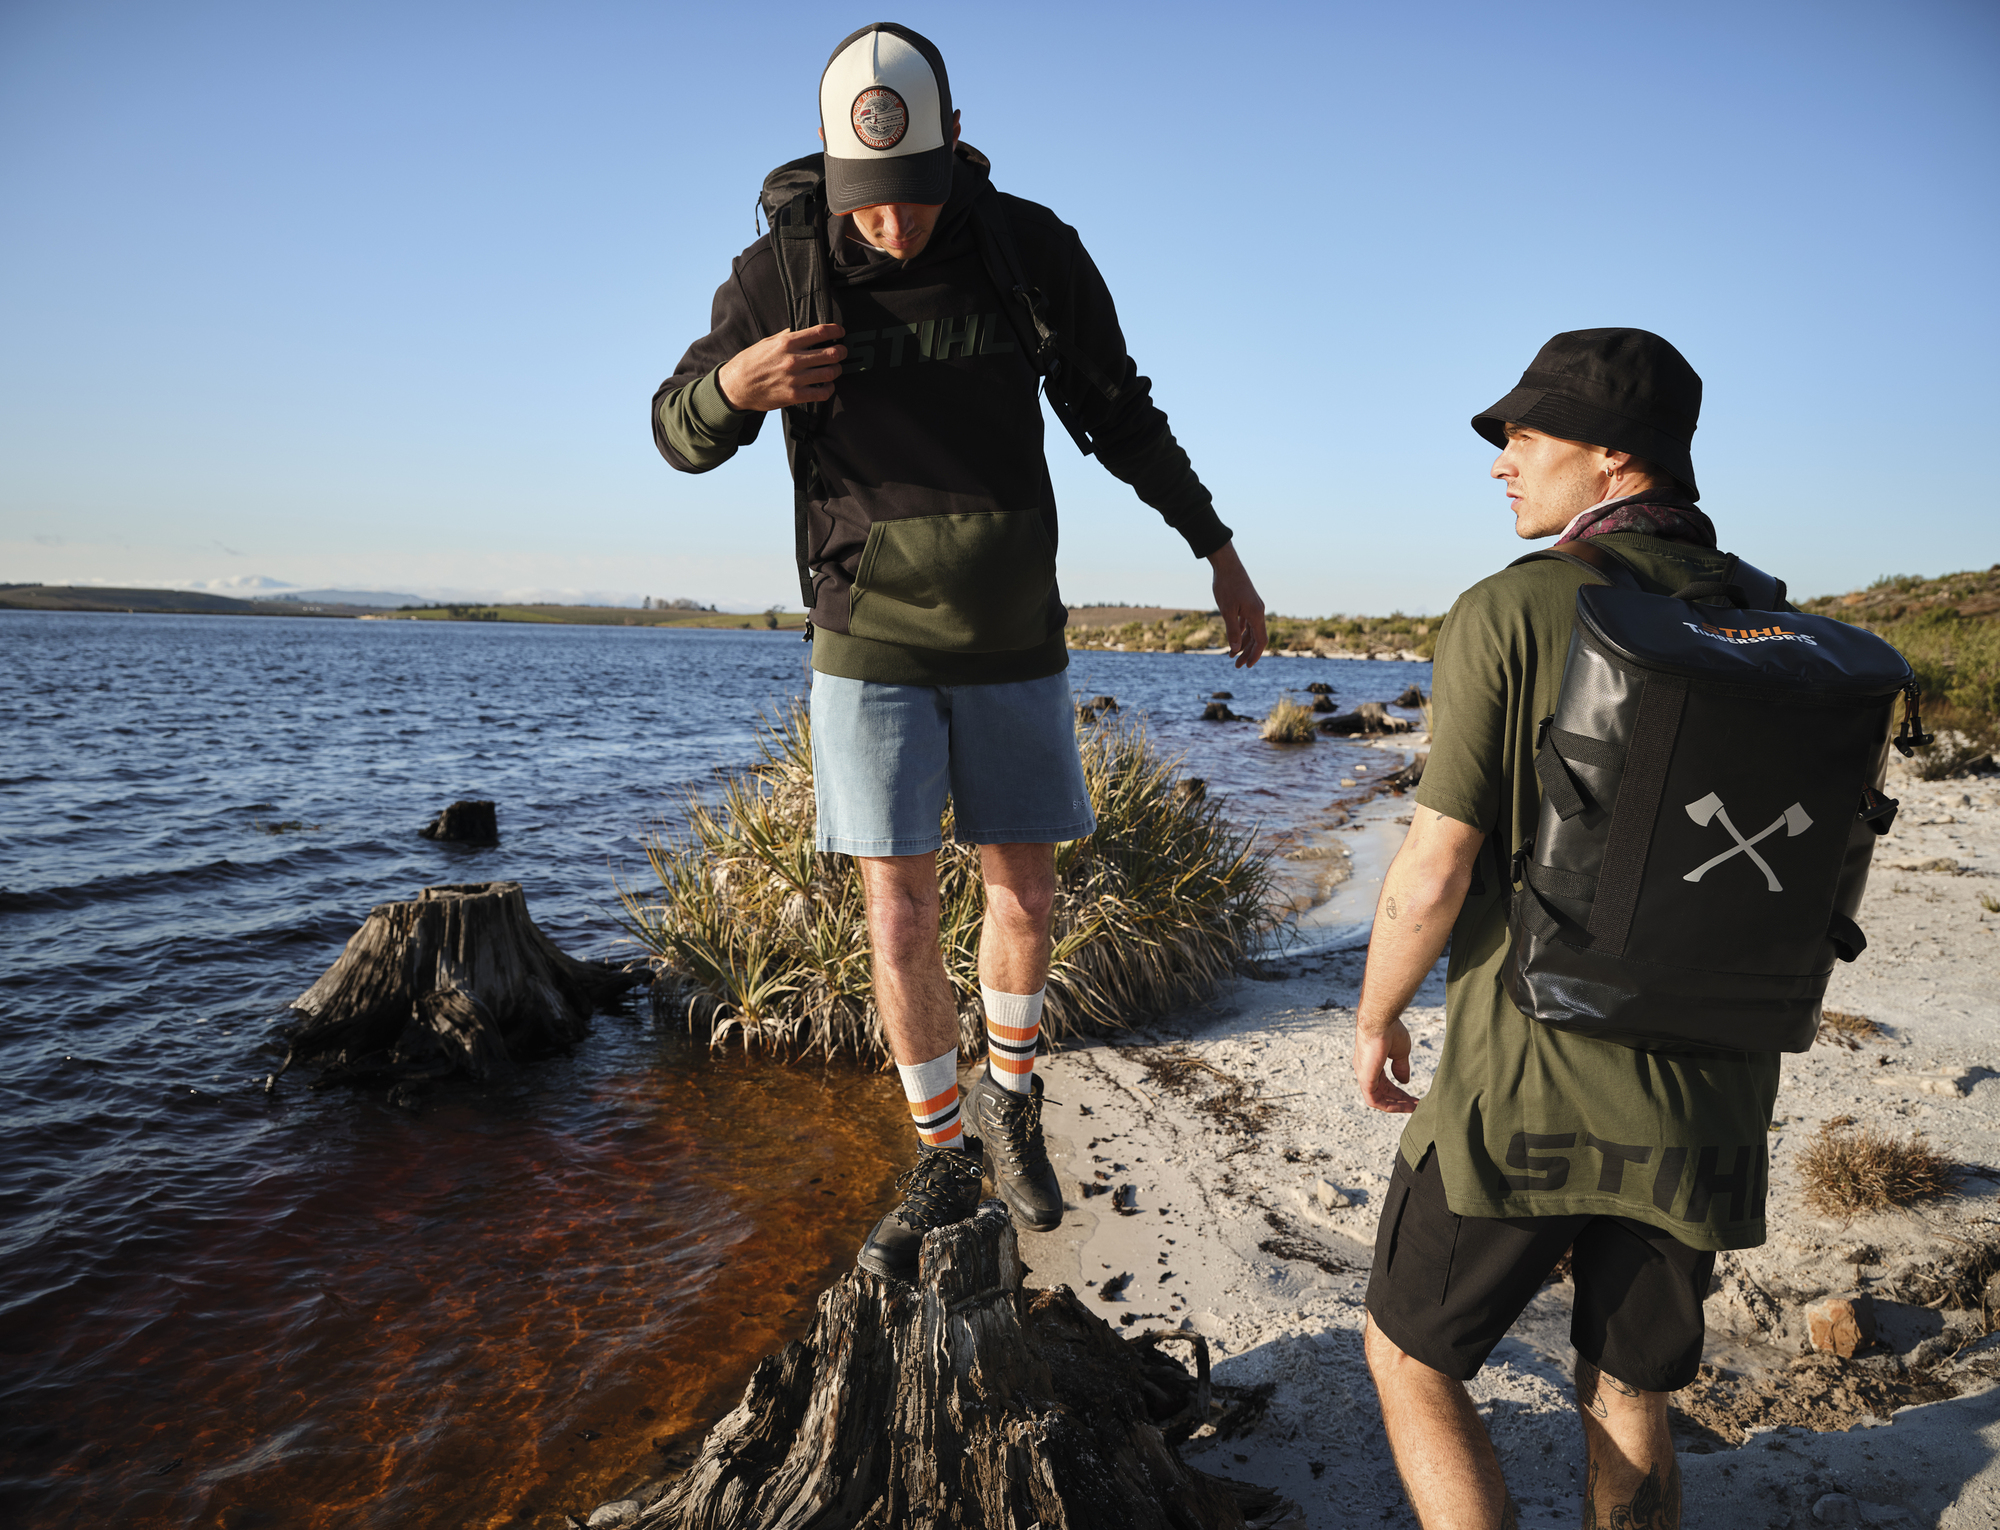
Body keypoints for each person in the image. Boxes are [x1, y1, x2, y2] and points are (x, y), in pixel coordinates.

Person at [653, 22, 1266, 1282]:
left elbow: (1117, 408)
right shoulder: (775, 274)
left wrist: (1214, 543)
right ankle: (941, 1152)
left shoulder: (1027, 250)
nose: (894, 227)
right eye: (869, 206)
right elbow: (675, 431)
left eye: (915, 198)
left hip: (1011, 635)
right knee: (897, 907)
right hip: (866, 639)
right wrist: (738, 387)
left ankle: (1014, 1102)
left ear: (953, 149)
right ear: (834, 170)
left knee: (1029, 897)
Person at [1351, 329, 1781, 1529]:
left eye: (1526, 437)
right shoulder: (1769, 619)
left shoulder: (1514, 610)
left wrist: (1378, 1012)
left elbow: (1436, 866)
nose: (1502, 462)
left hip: (1527, 1085)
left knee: (1410, 1353)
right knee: (1629, 1390)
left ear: (1613, 458)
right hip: (1709, 1100)